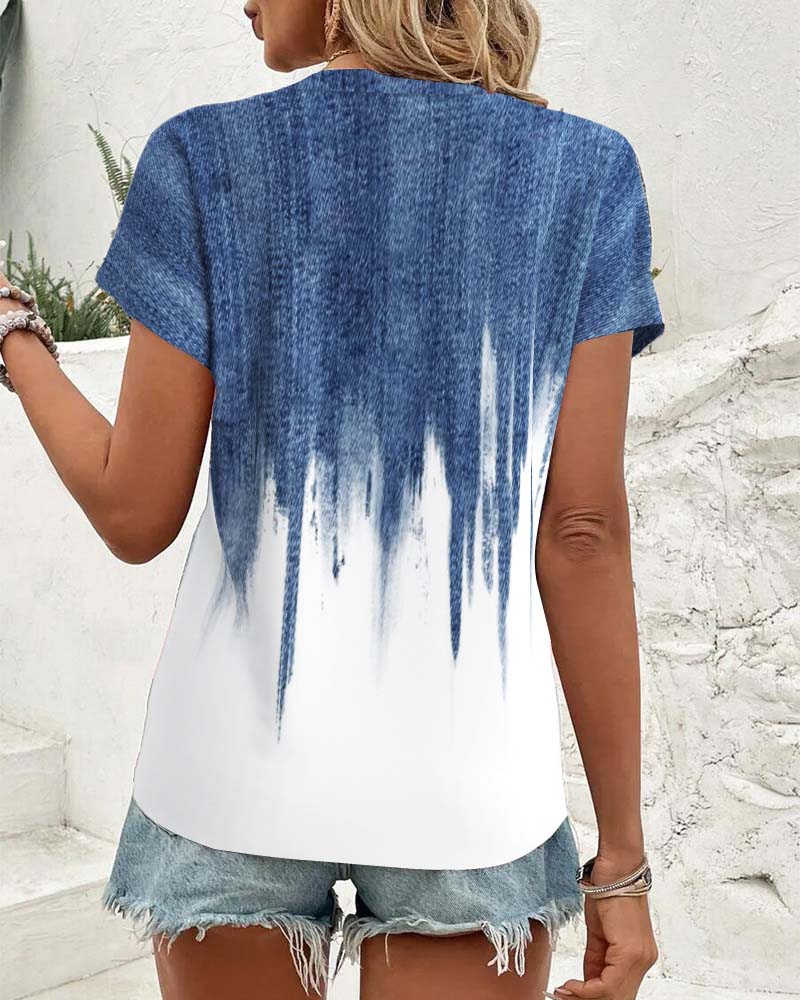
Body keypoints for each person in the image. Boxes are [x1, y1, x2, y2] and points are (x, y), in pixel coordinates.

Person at [0, 0, 665, 997]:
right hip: (469, 793)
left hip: (229, 776)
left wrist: (15, 337)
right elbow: (580, 532)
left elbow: (132, 513)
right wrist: (621, 861)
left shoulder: (202, 159)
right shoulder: (586, 175)